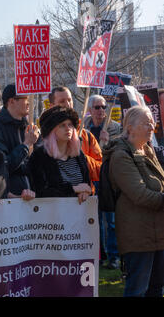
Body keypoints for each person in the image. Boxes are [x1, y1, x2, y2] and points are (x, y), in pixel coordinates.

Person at [104, 106, 164, 297]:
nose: (151, 127)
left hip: (157, 233)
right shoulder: (121, 156)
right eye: (146, 123)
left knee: (156, 289)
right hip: (138, 236)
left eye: (152, 123)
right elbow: (140, 194)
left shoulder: (147, 149)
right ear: (130, 128)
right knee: (137, 290)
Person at [84, 94, 122, 269]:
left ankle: (114, 257)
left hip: (109, 179)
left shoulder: (114, 128)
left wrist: (106, 143)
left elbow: (117, 152)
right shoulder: (84, 128)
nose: (101, 111)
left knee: (111, 219)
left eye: (104, 107)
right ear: (90, 110)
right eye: (97, 107)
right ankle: (99, 255)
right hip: (91, 179)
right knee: (94, 219)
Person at [28, 106, 92, 203]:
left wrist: (85, 193)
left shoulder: (78, 155)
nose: (68, 128)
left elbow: (86, 184)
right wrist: (74, 189)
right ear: (52, 130)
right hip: (51, 213)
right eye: (62, 125)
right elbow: (41, 191)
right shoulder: (40, 156)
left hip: (78, 211)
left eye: (70, 125)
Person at [48, 87, 102, 184]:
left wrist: (82, 159)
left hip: (85, 196)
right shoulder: (45, 137)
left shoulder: (87, 136)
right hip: (57, 196)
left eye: (69, 100)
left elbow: (101, 170)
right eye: (62, 101)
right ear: (52, 106)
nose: (68, 104)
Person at [0, 84, 40, 196]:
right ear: (12, 101)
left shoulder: (29, 127)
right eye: (26, 99)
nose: (29, 103)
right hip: (10, 199)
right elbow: (4, 165)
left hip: (33, 198)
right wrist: (26, 145)